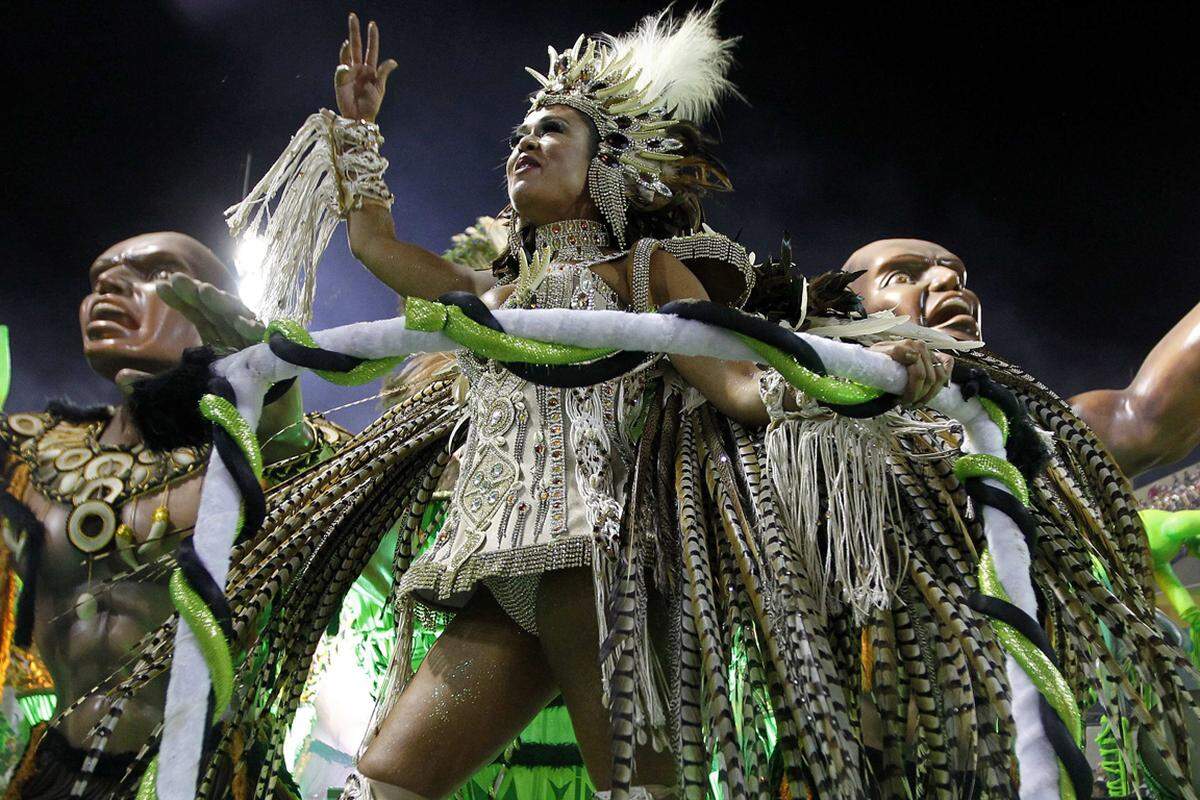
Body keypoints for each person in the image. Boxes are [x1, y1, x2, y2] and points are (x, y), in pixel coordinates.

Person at [97, 10, 1199, 800]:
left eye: (555, 133)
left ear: (607, 171)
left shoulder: (642, 278)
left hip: (602, 563)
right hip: (502, 567)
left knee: (643, 782)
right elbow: (381, 248)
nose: (525, 142)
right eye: (520, 132)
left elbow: (739, 384)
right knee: (389, 774)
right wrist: (355, 132)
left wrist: (866, 382)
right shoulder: (495, 295)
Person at [0, 232, 344, 799]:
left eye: (153, 273)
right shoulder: (33, 448)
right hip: (55, 770)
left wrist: (270, 398)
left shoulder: (259, 449)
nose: (109, 287)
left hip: (211, 776)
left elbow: (302, 471)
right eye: (98, 280)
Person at [844, 237, 1200, 478]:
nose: (949, 281)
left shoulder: (1042, 436)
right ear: (847, 316)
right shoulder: (817, 422)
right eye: (901, 276)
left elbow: (1146, 417)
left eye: (958, 276)